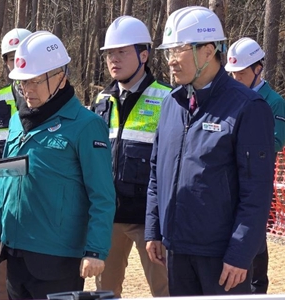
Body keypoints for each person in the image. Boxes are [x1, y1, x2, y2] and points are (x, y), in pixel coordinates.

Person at [145, 6, 275, 296]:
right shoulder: (171, 104)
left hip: (222, 258)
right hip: (176, 250)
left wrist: (240, 253)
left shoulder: (247, 107)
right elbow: (157, 171)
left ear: (207, 50)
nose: (171, 61)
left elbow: (257, 190)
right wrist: (154, 230)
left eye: (178, 50)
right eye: (168, 52)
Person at [0, 31, 116, 299]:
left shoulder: (86, 126)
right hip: (15, 252)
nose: (27, 90)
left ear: (60, 76)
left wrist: (95, 251)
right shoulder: (17, 121)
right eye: (22, 83)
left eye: (34, 81)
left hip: (57, 257)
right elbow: (7, 178)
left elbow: (102, 195)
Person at [92, 16, 170, 298]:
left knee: (165, 289)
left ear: (144, 55)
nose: (114, 59)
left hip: (148, 219)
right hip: (108, 216)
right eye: (110, 53)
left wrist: (158, 224)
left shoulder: (167, 99)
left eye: (122, 52)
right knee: (105, 291)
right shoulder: (102, 100)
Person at [225, 37, 285, 294]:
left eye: (241, 73)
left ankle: (257, 289)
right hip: (229, 179)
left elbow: (276, 141)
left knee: (255, 236)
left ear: (257, 69)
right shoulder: (230, 97)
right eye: (232, 74)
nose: (235, 78)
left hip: (256, 182)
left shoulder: (275, 102)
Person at [0, 27, 31, 300]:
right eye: (9, 58)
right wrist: (6, 188)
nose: (15, 63)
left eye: (19, 56)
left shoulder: (48, 96)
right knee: (4, 279)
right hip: (3, 200)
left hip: (38, 201)